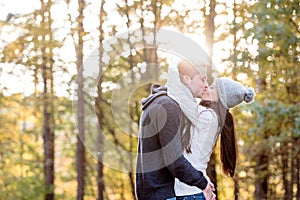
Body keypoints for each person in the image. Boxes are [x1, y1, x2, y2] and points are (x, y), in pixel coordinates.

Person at [135, 59, 216, 200]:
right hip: (162, 194)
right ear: (186, 79)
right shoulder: (168, 106)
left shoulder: (159, 102)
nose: (206, 85)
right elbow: (174, 161)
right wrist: (203, 183)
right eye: (202, 80)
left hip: (154, 193)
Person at [174, 76, 255, 200]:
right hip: (191, 189)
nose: (206, 87)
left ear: (221, 98)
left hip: (188, 191)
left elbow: (181, 101)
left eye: (212, 87)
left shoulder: (208, 116)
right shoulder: (212, 116)